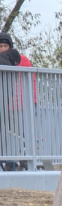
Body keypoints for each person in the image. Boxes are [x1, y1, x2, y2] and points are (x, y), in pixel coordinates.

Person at [0, 32, 26, 170]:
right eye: (0, 46)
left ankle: (11, 161)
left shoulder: (12, 57)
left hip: (9, 104)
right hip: (7, 104)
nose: (2, 48)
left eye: (5, 46)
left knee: (9, 134)